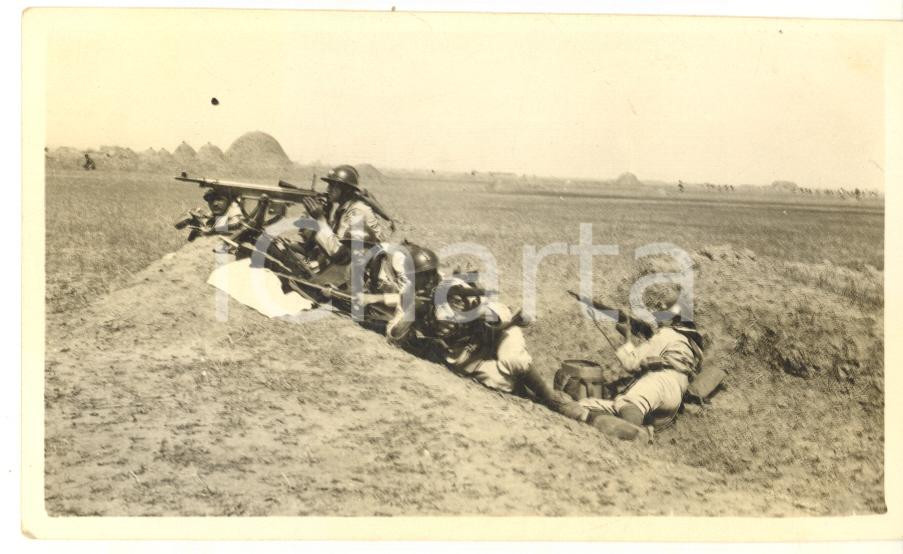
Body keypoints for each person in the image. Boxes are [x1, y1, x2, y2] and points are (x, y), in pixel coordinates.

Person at [356, 248, 585, 419]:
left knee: (513, 361)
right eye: (419, 277)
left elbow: (495, 313)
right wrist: (413, 311)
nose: (425, 281)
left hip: (498, 332)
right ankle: (537, 402)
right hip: (471, 350)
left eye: (428, 275)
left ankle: (551, 398)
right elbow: (393, 334)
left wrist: (475, 314)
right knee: (500, 382)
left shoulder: (452, 286)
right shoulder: (411, 300)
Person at [575, 307, 705, 441]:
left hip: (660, 382)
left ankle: (632, 437)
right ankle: (642, 430)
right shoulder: (692, 345)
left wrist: (627, 336)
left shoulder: (667, 333)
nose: (657, 320)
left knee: (629, 403)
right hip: (675, 396)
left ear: (674, 319)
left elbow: (630, 363)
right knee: (586, 405)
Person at [299, 165, 388, 263]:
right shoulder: (344, 208)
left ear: (346, 189)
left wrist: (320, 218)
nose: (328, 189)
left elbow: (338, 252)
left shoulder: (357, 212)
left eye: (333, 186)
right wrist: (326, 214)